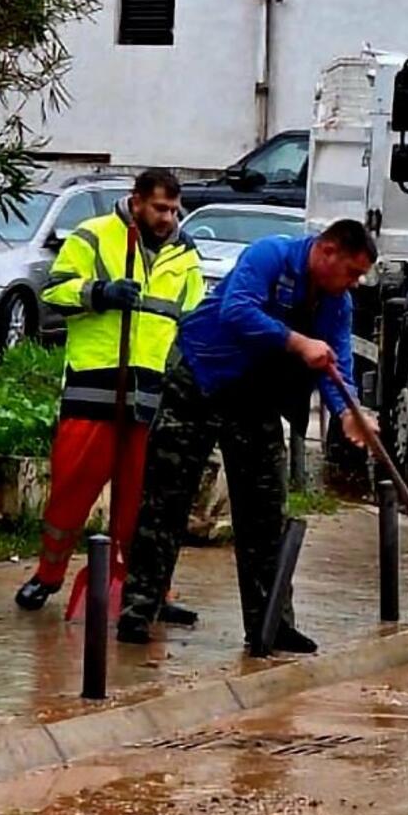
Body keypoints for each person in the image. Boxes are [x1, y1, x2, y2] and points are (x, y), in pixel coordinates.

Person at [117, 217, 378, 653]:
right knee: (166, 500)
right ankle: (139, 611)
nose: (354, 283)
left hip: (255, 398)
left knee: (265, 515)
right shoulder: (270, 254)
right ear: (328, 251)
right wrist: (297, 342)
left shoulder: (337, 303)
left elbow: (337, 363)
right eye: (352, 272)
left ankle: (271, 622)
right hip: (200, 379)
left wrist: (348, 411)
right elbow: (236, 310)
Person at [15, 168, 204, 612]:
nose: (168, 217)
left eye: (174, 209)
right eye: (160, 207)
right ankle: (48, 576)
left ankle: (148, 590)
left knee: (144, 502)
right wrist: (99, 292)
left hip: (151, 393)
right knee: (71, 489)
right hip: (93, 385)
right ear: (136, 200)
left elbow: (194, 317)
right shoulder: (95, 236)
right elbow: (54, 292)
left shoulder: (184, 253)